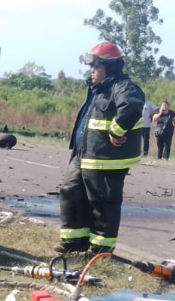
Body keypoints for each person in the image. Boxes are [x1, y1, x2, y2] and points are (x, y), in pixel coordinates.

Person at [55, 41, 145, 255]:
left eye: (96, 66)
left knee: (102, 202)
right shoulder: (98, 89)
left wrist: (116, 131)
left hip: (105, 157)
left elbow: (131, 107)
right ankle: (74, 242)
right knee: (71, 191)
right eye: (91, 66)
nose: (92, 70)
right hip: (84, 154)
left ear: (110, 67)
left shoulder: (122, 87)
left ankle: (101, 249)